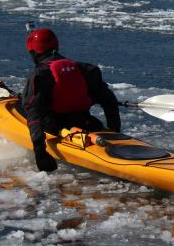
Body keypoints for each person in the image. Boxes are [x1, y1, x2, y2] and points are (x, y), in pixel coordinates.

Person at [22, 28, 121, 172]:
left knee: (27, 109)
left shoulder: (40, 75)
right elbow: (109, 100)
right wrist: (114, 132)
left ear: (33, 52)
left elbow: (34, 114)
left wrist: (40, 152)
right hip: (87, 124)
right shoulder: (84, 69)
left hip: (56, 127)